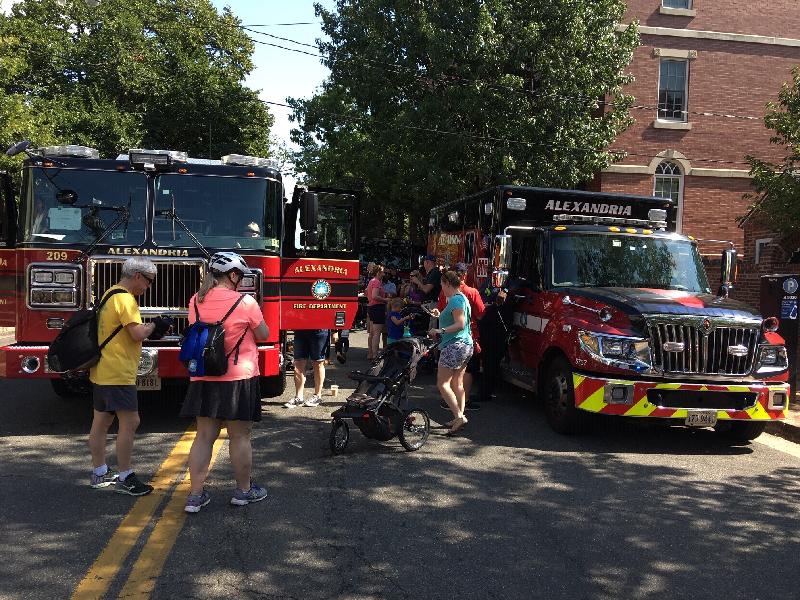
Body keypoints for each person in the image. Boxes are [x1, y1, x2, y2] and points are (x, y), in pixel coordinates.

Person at [181, 252, 270, 513]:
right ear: (232, 275)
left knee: (203, 436)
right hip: (238, 376)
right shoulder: (246, 302)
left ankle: (195, 496)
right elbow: (263, 334)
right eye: (239, 276)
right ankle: (243, 492)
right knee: (240, 436)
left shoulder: (195, 300)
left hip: (203, 375)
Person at [88, 257, 172, 496]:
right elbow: (136, 333)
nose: (148, 287)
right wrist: (156, 325)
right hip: (118, 372)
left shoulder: (109, 294)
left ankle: (99, 472)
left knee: (101, 422)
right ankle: (125, 476)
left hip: (102, 370)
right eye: (149, 281)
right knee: (130, 422)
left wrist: (152, 327)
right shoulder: (126, 298)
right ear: (137, 276)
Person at [429, 270, 473, 435]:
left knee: (443, 384)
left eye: (442, 285)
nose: (441, 288)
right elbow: (457, 319)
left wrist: (440, 330)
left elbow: (460, 324)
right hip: (465, 346)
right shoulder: (460, 299)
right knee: (457, 384)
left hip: (455, 346)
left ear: (447, 283)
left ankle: (459, 417)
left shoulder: (455, 300)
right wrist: (440, 315)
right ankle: (458, 418)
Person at [437, 263, 485, 409]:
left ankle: (455, 410)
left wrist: (440, 330)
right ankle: (463, 406)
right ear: (464, 275)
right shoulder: (471, 292)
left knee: (445, 381)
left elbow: (446, 313)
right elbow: (481, 313)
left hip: (453, 340)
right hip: (469, 337)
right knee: (466, 374)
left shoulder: (450, 295)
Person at [478, 287, 511, 403]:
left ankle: (485, 393)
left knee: (489, 366)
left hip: (492, 339)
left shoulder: (493, 310)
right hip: (498, 339)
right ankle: (487, 391)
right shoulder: (505, 308)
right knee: (492, 366)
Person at [284, 329, 330, 408]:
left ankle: (317, 396)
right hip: (301, 328)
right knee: (298, 362)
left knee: (318, 363)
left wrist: (335, 332)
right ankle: (299, 397)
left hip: (319, 328)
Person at [365, 263, 387, 360]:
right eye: (383, 272)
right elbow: (374, 296)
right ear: (378, 272)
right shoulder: (377, 282)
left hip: (371, 307)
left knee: (372, 333)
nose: (384, 274)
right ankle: (375, 355)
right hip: (377, 308)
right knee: (377, 333)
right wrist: (386, 299)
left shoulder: (371, 281)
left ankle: (370, 353)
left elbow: (368, 294)